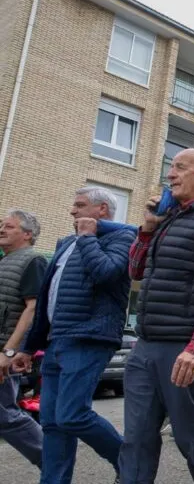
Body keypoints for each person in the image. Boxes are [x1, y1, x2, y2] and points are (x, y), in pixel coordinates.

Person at [119, 148, 194, 483]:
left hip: (182, 347)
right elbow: (136, 270)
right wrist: (147, 228)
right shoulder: (168, 221)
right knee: (136, 438)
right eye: (170, 167)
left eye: (180, 168)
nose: (171, 175)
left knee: (190, 437)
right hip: (146, 346)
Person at [13, 188, 136, 483]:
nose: (72, 211)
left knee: (72, 415)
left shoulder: (123, 238)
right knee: (52, 422)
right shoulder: (65, 243)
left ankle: (131, 463)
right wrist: (29, 347)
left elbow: (105, 273)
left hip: (89, 337)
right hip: (57, 340)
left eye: (80, 206)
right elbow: (46, 299)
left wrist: (87, 237)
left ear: (102, 210)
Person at [0, 210, 46, 469]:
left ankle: (51, 461)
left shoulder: (33, 260)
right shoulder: (5, 260)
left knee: (5, 415)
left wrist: (9, 352)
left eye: (9, 226)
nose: (1, 229)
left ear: (27, 234)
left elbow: (33, 308)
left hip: (4, 351)